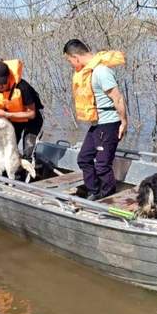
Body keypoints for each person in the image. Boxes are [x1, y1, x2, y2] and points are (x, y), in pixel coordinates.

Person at [63, 39, 128, 201]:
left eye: (69, 60)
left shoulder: (101, 72)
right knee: (84, 158)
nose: (70, 64)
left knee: (102, 165)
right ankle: (94, 191)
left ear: (76, 57)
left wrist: (124, 122)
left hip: (109, 123)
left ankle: (107, 196)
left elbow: (118, 98)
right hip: (97, 124)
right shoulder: (88, 72)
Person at [0, 59, 44, 159]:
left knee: (28, 150)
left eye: (3, 82)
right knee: (6, 148)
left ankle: (29, 168)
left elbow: (32, 114)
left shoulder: (23, 87)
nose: (0, 86)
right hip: (12, 120)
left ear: (8, 77)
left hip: (32, 120)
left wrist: (7, 115)